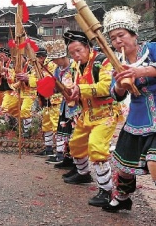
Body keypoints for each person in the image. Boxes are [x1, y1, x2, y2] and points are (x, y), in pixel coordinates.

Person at [100, 7, 156, 225]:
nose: (118, 41)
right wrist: (120, 84)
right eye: (113, 38)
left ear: (134, 35)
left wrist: (139, 71)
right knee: (124, 164)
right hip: (138, 117)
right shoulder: (115, 62)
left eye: (121, 35)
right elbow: (114, 94)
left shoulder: (152, 49)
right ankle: (122, 198)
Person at [62, 30, 122, 207]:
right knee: (76, 145)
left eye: (79, 50)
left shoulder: (102, 61)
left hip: (106, 113)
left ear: (88, 47)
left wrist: (80, 89)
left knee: (96, 148)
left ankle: (107, 191)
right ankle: (83, 173)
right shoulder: (74, 66)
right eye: (72, 53)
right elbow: (72, 85)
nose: (76, 55)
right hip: (87, 112)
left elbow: (106, 87)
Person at [43, 39, 78, 171]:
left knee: (75, 135)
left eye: (55, 59)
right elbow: (57, 87)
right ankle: (67, 158)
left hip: (76, 106)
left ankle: (77, 164)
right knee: (65, 134)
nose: (54, 62)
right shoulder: (58, 70)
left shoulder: (75, 67)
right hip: (65, 105)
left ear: (62, 56)